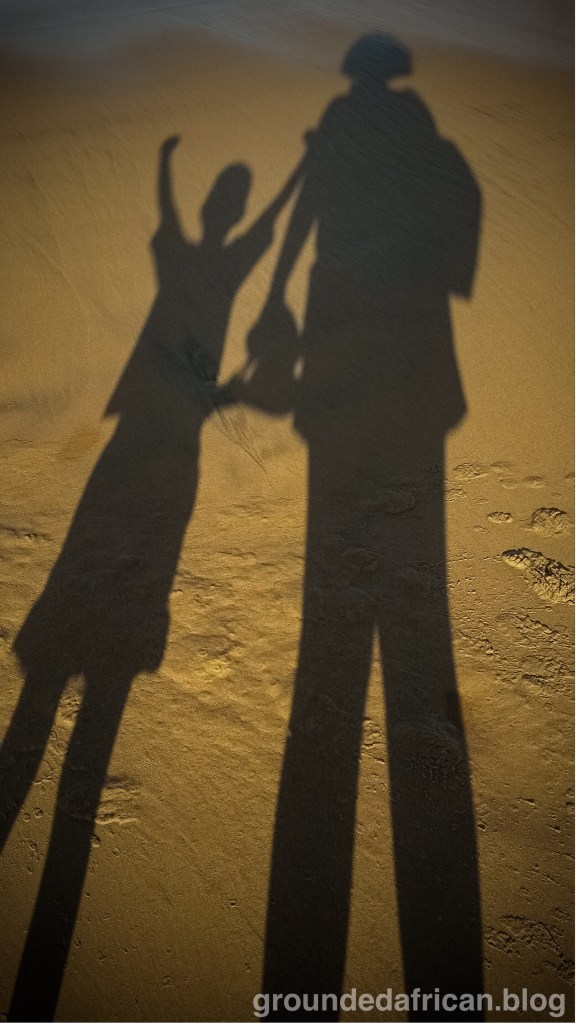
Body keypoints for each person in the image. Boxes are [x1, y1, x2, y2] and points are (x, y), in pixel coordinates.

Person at [0, 135, 302, 1023]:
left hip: (146, 425)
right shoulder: (216, 247)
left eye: (228, 197)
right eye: (230, 199)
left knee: (96, 550)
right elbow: (263, 230)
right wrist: (294, 187)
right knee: (136, 544)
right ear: (227, 211)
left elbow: (214, 221)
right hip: (166, 437)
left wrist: (213, 172)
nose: (226, 210)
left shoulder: (198, 246)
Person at [225, 34, 484, 1022]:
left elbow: (297, 231)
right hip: (415, 341)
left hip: (342, 318)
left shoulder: (338, 123)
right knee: (417, 543)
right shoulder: (429, 137)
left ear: (352, 76)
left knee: (335, 544)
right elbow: (460, 223)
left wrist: (284, 295)